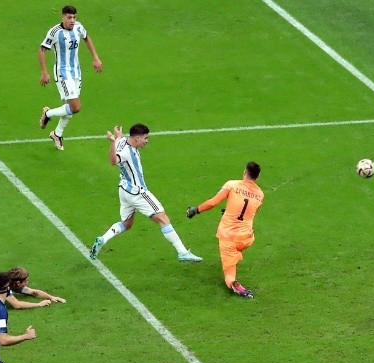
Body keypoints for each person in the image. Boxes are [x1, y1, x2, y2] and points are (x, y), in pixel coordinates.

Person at [89, 124, 203, 262]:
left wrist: (117, 138)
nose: (147, 141)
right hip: (138, 193)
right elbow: (113, 161)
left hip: (124, 191)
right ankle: (182, 252)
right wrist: (113, 143)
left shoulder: (123, 141)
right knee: (163, 218)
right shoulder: (126, 152)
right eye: (145, 138)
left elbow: (119, 141)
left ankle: (103, 238)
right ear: (137, 138)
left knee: (126, 223)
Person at [186, 162, 264, 298]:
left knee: (229, 274)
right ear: (258, 176)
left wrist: (195, 210)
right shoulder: (260, 194)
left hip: (229, 237)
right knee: (239, 244)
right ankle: (236, 254)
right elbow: (249, 212)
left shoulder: (232, 185)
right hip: (247, 238)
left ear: (244, 171)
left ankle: (235, 285)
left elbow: (213, 202)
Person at [38, 4, 103, 151]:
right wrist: (44, 72)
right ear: (63, 17)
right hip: (62, 73)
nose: (72, 20)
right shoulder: (55, 32)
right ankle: (48, 114)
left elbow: (87, 38)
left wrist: (96, 58)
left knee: (71, 108)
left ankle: (57, 134)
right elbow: (42, 50)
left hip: (76, 72)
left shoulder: (79, 27)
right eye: (69, 17)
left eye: (74, 17)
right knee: (75, 107)